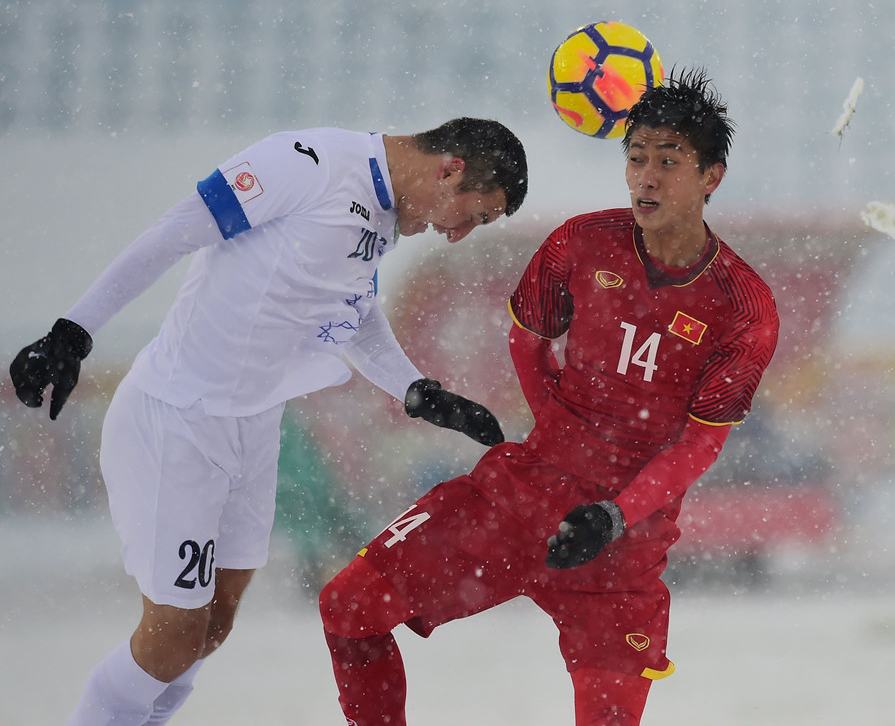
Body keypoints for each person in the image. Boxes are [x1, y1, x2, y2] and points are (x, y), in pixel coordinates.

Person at [8, 117, 528, 725]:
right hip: (179, 420)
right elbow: (177, 230)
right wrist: (74, 331)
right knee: (174, 634)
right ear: (449, 170)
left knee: (212, 627)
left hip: (252, 431)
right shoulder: (311, 163)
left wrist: (418, 391)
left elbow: (352, 312)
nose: (460, 235)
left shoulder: (382, 217)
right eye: (475, 214)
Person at [319, 69, 780, 725]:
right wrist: (562, 448)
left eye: (668, 161)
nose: (646, 177)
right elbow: (526, 340)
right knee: (348, 608)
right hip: (521, 494)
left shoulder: (743, 307)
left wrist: (613, 513)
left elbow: (700, 444)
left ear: (712, 177)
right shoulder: (580, 241)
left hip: (622, 546)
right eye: (636, 158)